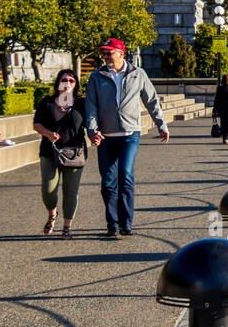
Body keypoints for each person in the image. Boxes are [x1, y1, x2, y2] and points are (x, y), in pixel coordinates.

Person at [84, 38, 169, 238]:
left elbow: (151, 100)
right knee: (108, 182)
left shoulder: (137, 74)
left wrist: (161, 125)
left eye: (109, 53)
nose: (106, 57)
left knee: (126, 175)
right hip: (105, 136)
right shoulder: (97, 77)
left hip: (130, 134)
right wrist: (92, 130)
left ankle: (126, 223)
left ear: (121, 53)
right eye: (104, 54)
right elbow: (91, 106)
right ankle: (112, 224)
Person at [33, 69, 87, 238]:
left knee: (70, 191)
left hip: (74, 153)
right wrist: (48, 133)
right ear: (58, 82)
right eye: (64, 80)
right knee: (48, 190)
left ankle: (67, 226)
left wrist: (96, 134)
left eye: (72, 80)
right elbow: (36, 124)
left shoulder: (81, 104)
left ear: (76, 84)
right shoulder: (47, 102)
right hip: (50, 152)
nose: (68, 83)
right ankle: (52, 214)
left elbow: (91, 123)